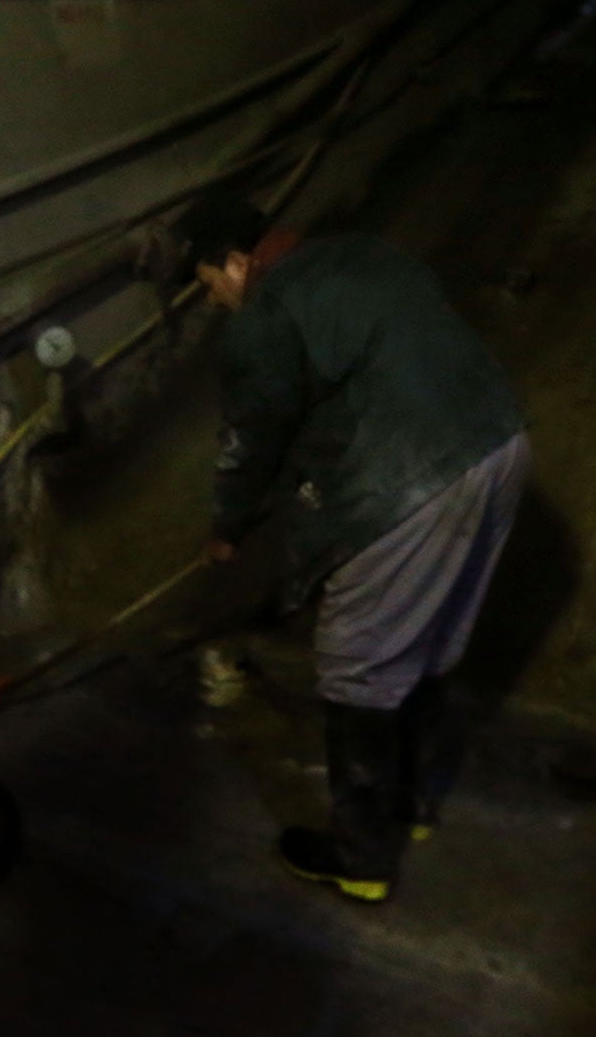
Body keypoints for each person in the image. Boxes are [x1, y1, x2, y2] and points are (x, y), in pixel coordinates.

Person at [177, 191, 529, 904]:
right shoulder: (366, 253)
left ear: (238, 263)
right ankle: (414, 803)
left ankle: (360, 856)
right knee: (431, 638)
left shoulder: (265, 319)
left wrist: (227, 528)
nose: (214, 303)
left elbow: (252, 440)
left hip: (413, 484)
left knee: (356, 660)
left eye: (210, 285)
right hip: (499, 447)